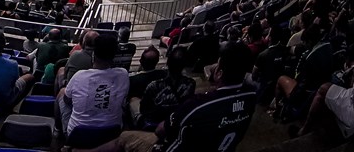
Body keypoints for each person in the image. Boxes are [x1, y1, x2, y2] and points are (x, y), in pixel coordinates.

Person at [100, 41, 257, 152]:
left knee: (126, 134)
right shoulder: (251, 97)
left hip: (164, 133)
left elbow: (160, 130)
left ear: (219, 73)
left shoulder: (198, 103)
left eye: (218, 64)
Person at [58, 34, 129, 141]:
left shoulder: (79, 76)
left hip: (78, 136)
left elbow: (67, 101)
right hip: (111, 135)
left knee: (62, 92)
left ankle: (57, 131)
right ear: (114, 56)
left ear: (93, 55)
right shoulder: (123, 74)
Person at [135, 46, 196, 128]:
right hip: (175, 121)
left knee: (133, 101)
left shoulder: (154, 85)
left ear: (167, 62)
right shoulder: (190, 84)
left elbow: (143, 110)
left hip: (155, 123)